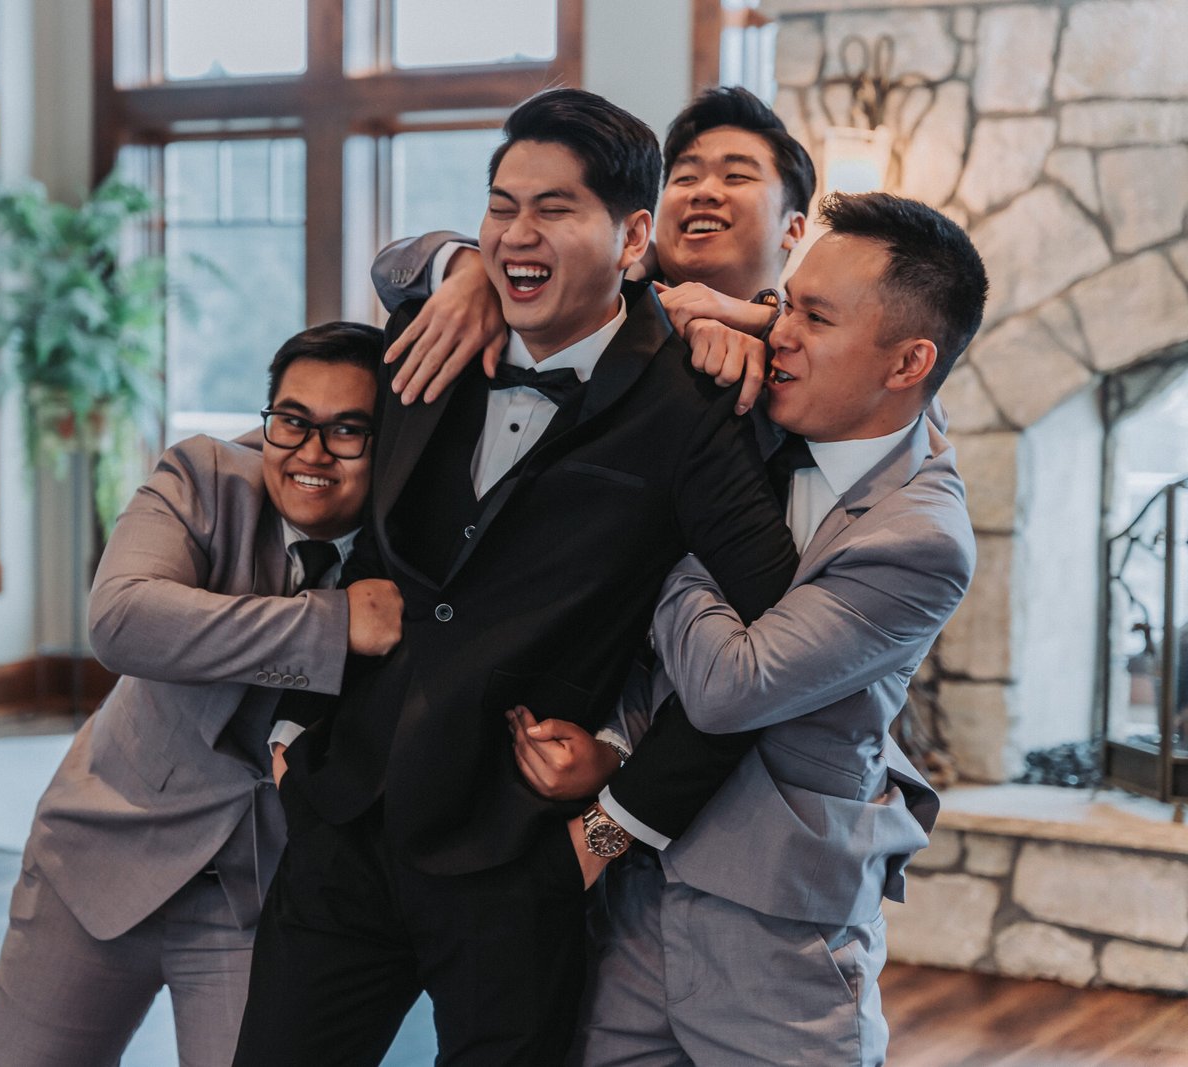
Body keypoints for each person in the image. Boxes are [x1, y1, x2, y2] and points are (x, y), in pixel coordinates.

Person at [232, 87, 798, 1066]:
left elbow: (777, 648)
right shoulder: (435, 337)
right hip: (340, 826)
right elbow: (373, 546)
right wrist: (293, 733)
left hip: (519, 863)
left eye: (552, 208)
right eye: (502, 206)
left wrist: (613, 827)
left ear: (632, 238)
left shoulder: (693, 405)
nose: (516, 233)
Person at [513, 191, 987, 1066]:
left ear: (908, 362)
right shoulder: (776, 403)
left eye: (814, 317)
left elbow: (731, 686)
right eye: (783, 306)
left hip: (777, 929)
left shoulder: (921, 537)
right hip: (631, 897)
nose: (780, 334)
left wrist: (681, 513)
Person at [0, 322, 402, 1067]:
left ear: (389, 444)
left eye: (346, 431)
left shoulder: (414, 551)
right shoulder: (203, 478)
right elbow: (121, 618)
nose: (310, 452)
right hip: (101, 859)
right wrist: (331, 626)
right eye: (292, 420)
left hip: (260, 901)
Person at [374, 86, 814, 414]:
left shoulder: (806, 343)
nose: (703, 192)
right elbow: (391, 265)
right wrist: (467, 269)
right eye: (685, 178)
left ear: (793, 227)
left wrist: (768, 322)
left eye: (736, 177)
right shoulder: (599, 293)